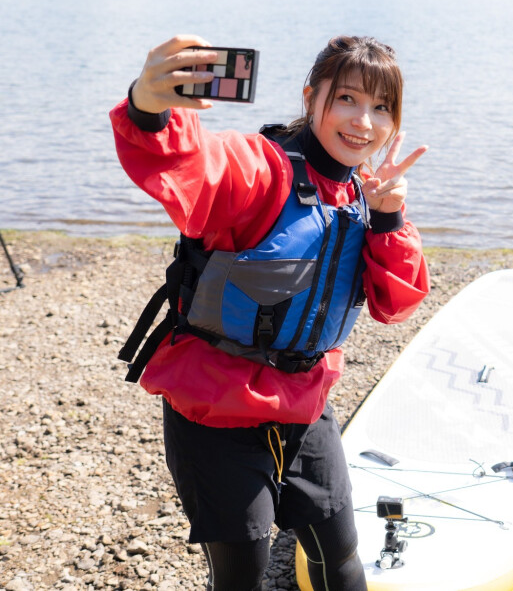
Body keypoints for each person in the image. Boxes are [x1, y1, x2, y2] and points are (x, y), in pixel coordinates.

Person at [109, 34, 430, 591]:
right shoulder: (264, 169)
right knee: (242, 575)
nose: (364, 121)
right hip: (215, 407)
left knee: (341, 555)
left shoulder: (365, 195)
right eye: (347, 99)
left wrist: (387, 217)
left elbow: (396, 303)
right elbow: (197, 164)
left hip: (305, 403)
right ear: (311, 99)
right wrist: (150, 109)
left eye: (382, 107)